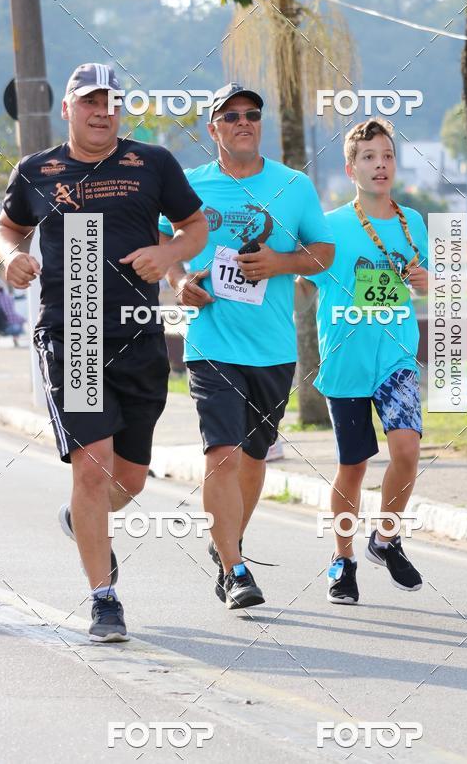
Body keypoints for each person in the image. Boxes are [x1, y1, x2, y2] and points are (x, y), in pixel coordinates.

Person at [0, 63, 207, 641]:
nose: (102, 111)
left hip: (139, 335)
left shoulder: (153, 163)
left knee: (128, 482)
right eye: (90, 101)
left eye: (112, 102)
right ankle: (103, 598)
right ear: (68, 108)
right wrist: (11, 256)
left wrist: (170, 257)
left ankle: (79, 519)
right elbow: (8, 227)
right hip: (74, 332)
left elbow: (193, 225)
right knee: (92, 468)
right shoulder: (38, 170)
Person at [160, 82, 335, 609]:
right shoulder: (189, 186)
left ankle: (228, 542)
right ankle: (236, 570)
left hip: (274, 347)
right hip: (212, 342)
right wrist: (176, 281)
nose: (243, 122)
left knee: (255, 458)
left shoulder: (293, 186)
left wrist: (281, 263)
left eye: (252, 114)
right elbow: (167, 246)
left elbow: (324, 253)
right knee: (223, 454)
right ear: (212, 128)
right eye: (230, 115)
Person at [296, 118, 429, 604]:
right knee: (353, 465)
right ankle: (343, 559)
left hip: (395, 358)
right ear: (351, 167)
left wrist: (424, 283)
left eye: (387, 156)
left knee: (407, 452)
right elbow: (300, 280)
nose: (380, 165)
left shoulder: (412, 222)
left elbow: (425, 279)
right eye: (369, 157)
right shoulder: (329, 226)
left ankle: (386, 539)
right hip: (345, 361)